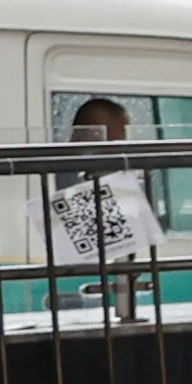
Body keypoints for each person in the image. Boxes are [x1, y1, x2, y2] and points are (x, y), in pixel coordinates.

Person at [49, 96, 161, 309]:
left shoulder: (88, 169)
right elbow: (95, 242)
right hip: (83, 290)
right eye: (120, 134)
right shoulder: (72, 172)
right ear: (96, 133)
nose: (123, 142)